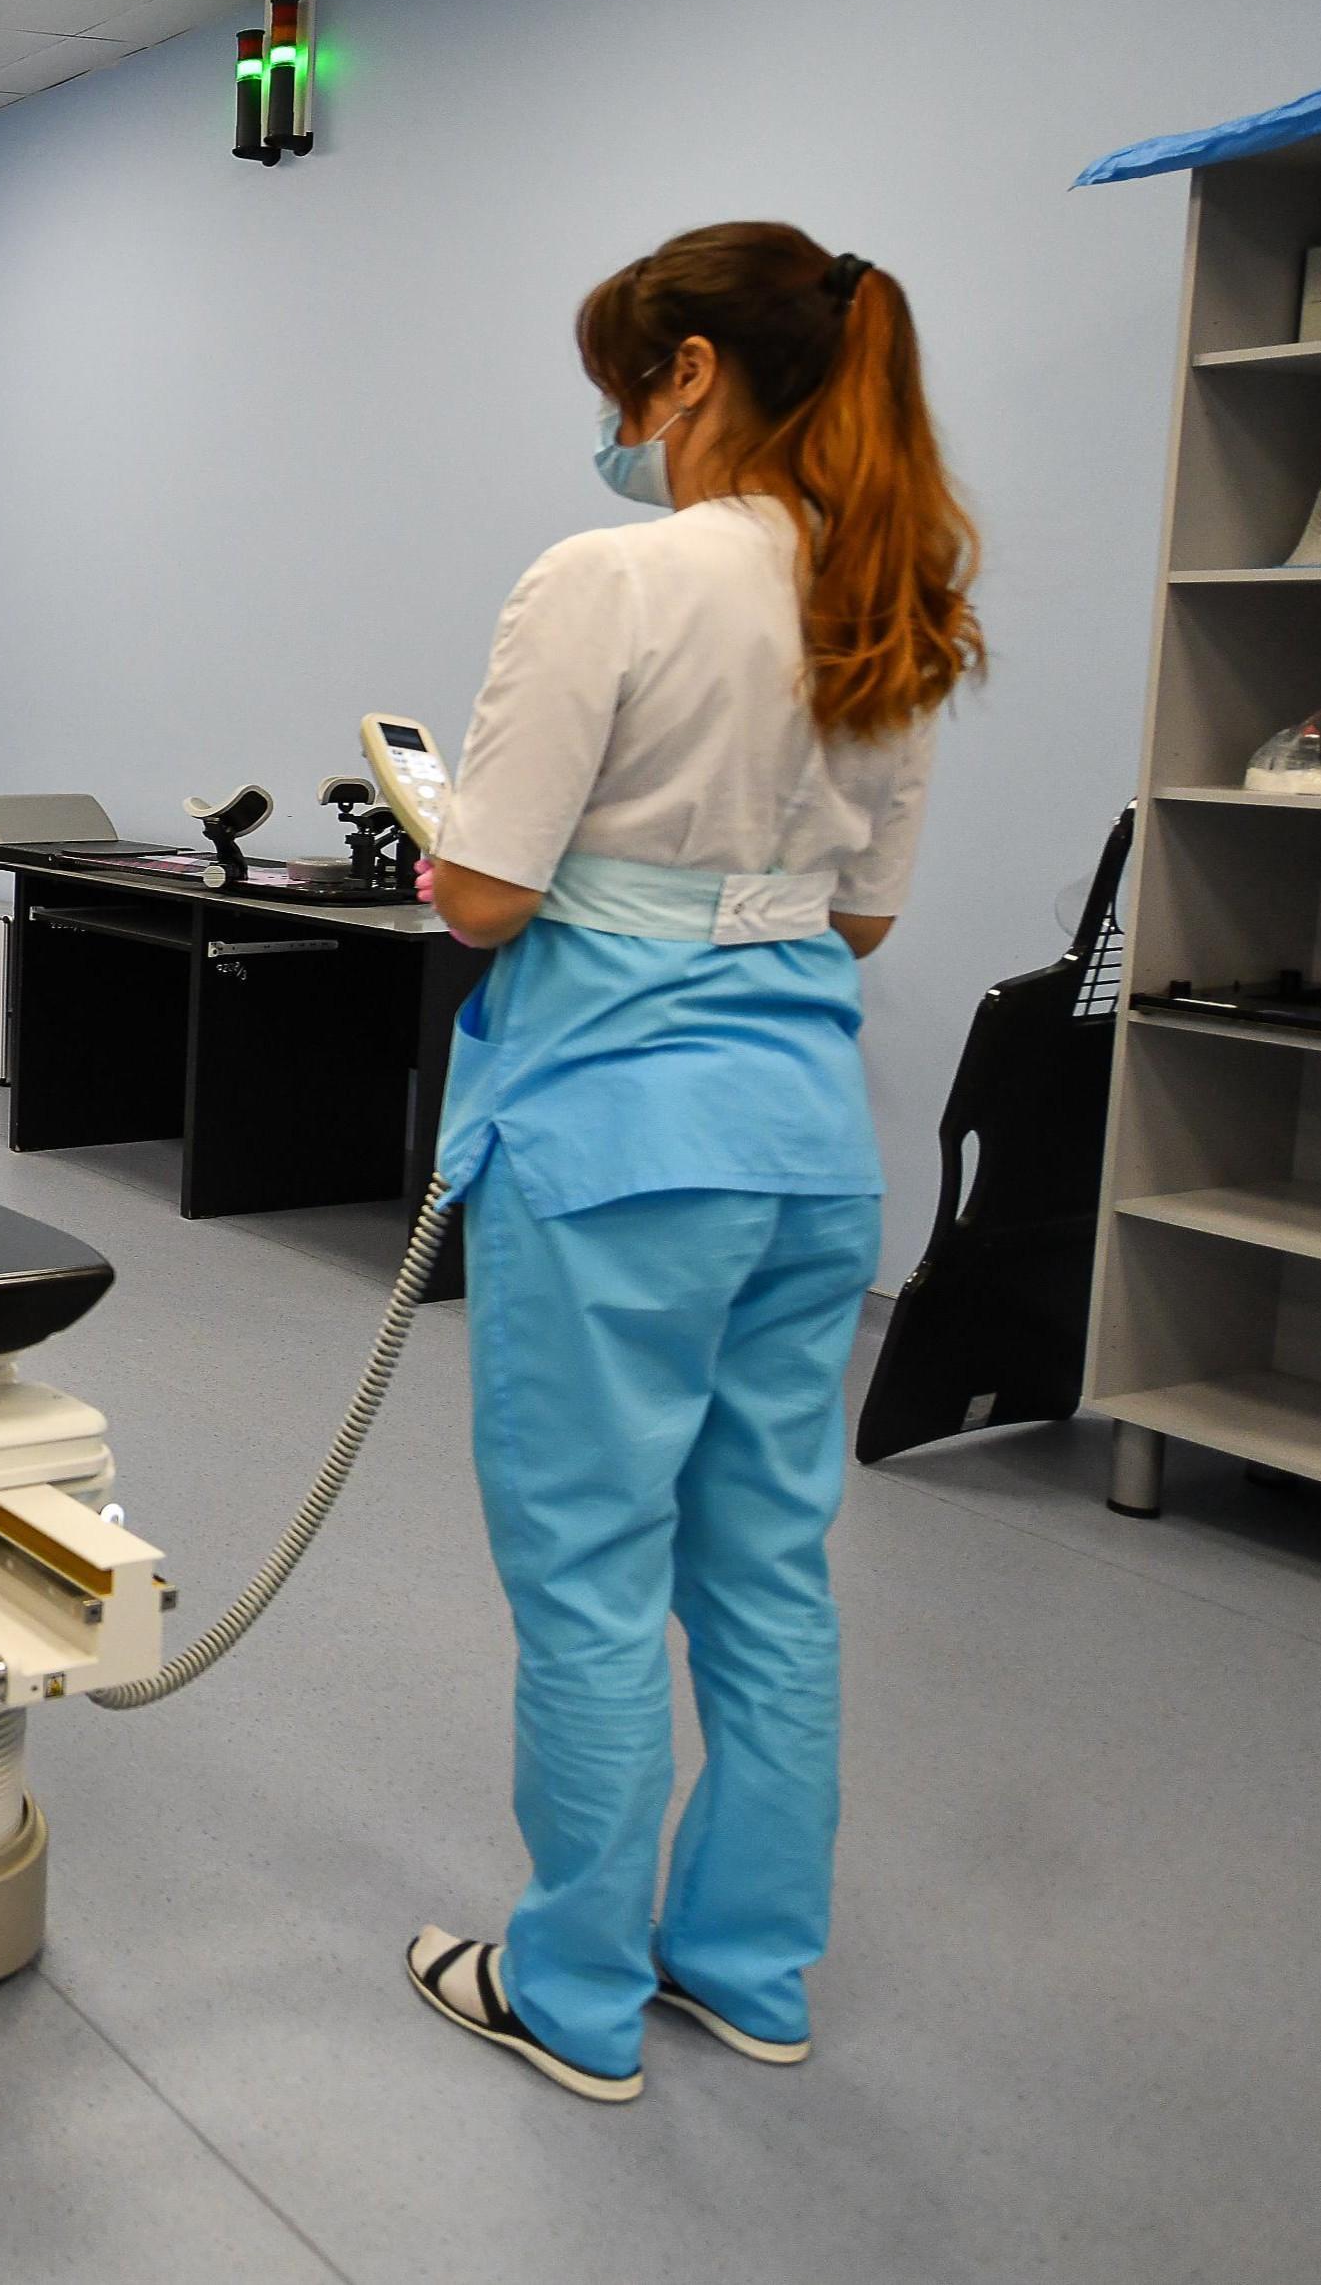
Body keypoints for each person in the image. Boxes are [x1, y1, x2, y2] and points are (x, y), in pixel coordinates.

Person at [403, 223, 983, 2101]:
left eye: (622, 389)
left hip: (616, 1150)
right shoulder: (888, 596)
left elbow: (485, 900)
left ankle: (570, 1995)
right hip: (806, 1155)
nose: (615, 428)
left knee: (589, 1580)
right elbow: (861, 922)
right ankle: (747, 1969)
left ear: (691, 376)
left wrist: (451, 845)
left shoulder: (610, 577)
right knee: (766, 1575)